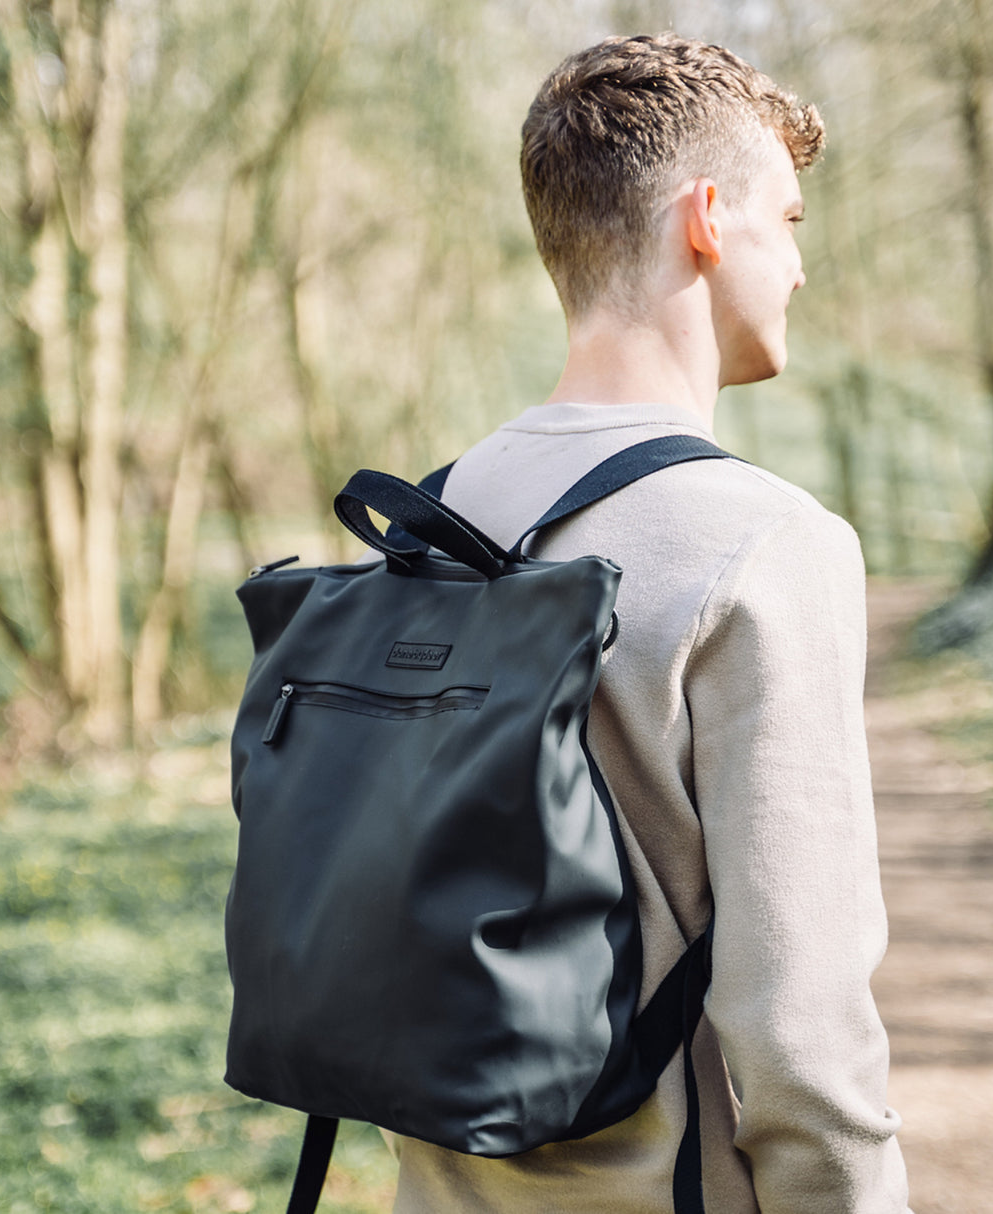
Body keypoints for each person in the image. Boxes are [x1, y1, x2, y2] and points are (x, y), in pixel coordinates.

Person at [388, 33, 912, 1214]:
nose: (798, 265)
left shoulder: (436, 509)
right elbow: (802, 1041)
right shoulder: (767, 544)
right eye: (786, 220)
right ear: (706, 218)